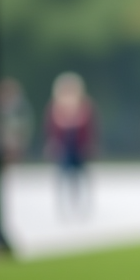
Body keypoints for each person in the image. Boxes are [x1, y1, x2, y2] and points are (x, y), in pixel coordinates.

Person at [44, 71, 96, 217]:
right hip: (63, 147)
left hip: (79, 147)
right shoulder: (55, 107)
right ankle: (63, 205)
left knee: (81, 176)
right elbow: (50, 128)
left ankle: (80, 204)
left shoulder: (84, 106)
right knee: (62, 176)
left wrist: (90, 144)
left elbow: (90, 128)